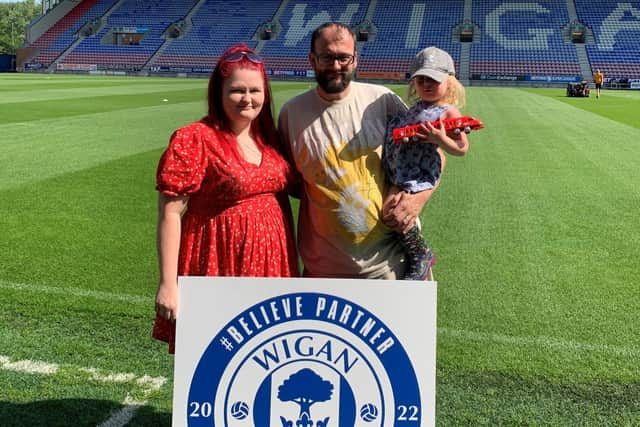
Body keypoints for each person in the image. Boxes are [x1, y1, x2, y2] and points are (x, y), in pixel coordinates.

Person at [153, 44, 299, 353]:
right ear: (219, 93)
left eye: (255, 91)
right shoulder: (195, 138)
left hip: (273, 264)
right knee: (214, 355)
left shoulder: (269, 137)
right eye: (237, 91)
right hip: (218, 260)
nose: (248, 99)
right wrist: (168, 283)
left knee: (267, 354)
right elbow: (169, 214)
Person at [278, 22, 443, 280]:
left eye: (343, 57)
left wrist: (417, 200)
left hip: (394, 266)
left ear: (355, 59)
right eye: (327, 57)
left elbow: (432, 152)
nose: (335, 66)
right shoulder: (292, 114)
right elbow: (294, 185)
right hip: (325, 271)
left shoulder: (383, 101)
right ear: (312, 59)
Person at [383, 47, 469, 280]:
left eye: (433, 79)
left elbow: (462, 148)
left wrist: (440, 139)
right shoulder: (416, 107)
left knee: (393, 209)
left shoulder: (448, 111)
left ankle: (421, 252)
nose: (427, 84)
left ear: (449, 82)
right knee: (390, 211)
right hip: (402, 167)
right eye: (421, 80)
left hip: (420, 170)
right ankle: (412, 250)